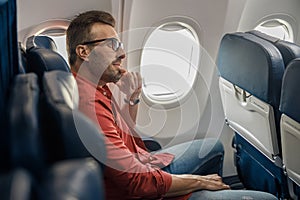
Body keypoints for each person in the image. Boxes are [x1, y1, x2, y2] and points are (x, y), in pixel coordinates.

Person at [66, 10, 277, 200]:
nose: (121, 54)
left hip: (142, 164)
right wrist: (198, 181)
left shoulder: (97, 86)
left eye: (119, 45)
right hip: (138, 189)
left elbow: (125, 136)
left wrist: (132, 97)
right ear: (84, 52)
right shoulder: (88, 103)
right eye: (112, 45)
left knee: (214, 147)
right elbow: (135, 182)